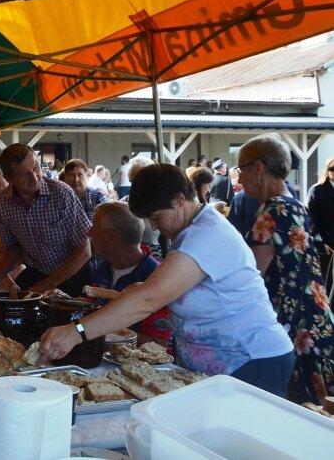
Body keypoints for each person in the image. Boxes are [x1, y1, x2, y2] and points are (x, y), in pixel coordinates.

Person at [39, 163, 294, 397]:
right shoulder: (191, 231)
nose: (155, 227)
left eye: (156, 217)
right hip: (227, 366)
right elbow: (168, 290)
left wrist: (77, 332)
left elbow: (148, 300)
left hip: (252, 362)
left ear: (179, 200)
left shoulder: (208, 234)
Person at [238, 134, 334, 404]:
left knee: (303, 409)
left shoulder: (269, 212)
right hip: (317, 316)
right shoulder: (295, 204)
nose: (239, 179)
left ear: (258, 168)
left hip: (291, 324)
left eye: (241, 169)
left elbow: (251, 276)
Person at [0, 143, 91, 295]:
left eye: (35, 168)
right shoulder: (3, 202)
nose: (34, 177)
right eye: (24, 174)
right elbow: (14, 248)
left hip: (73, 273)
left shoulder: (62, 194)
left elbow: (84, 251)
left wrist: (46, 285)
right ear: (9, 179)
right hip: (38, 272)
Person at [89, 202, 170, 347]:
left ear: (110, 237)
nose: (88, 232)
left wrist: (104, 328)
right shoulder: (105, 267)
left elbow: (159, 345)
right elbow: (89, 308)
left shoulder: (155, 278)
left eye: (94, 226)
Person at [307, 157, 334, 299]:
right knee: (325, 287)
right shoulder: (317, 190)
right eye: (332, 169)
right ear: (327, 171)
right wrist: (320, 243)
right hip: (326, 248)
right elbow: (311, 220)